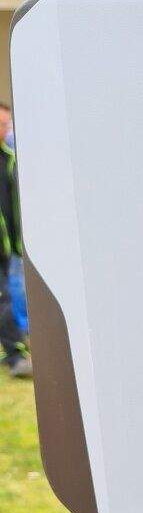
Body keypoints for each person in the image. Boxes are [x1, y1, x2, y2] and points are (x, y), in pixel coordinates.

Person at [0, 103, 31, 378]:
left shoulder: (9, 157)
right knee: (7, 298)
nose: (4, 129)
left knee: (12, 296)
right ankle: (14, 356)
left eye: (6, 125)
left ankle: (16, 350)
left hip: (10, 246)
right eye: (1, 124)